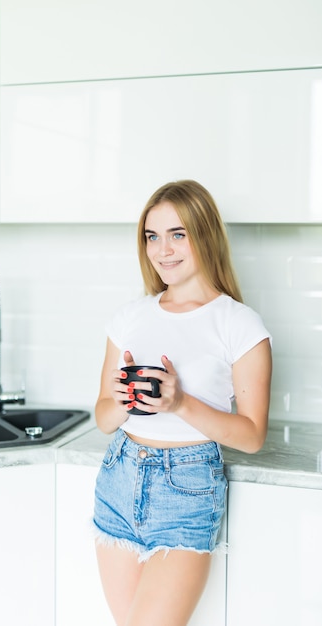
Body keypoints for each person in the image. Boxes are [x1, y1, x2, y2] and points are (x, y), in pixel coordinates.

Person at [93, 180, 272, 626]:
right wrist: (121, 400)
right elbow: (102, 417)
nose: (162, 250)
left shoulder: (239, 324)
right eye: (152, 236)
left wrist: (178, 402)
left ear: (204, 234)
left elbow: (251, 436)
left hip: (186, 488)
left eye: (178, 234)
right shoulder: (130, 317)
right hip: (118, 478)